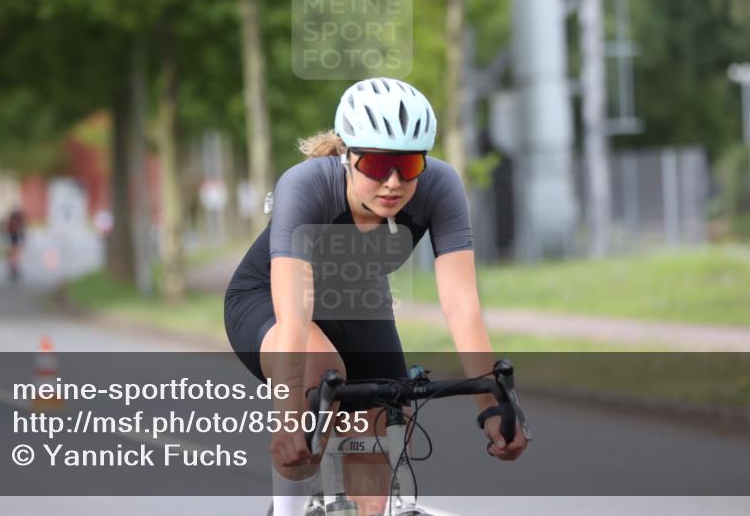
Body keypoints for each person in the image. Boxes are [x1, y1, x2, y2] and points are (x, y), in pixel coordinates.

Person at [224, 78, 528, 516]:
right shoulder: (307, 185)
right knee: (318, 373)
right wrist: (290, 418)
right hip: (269, 301)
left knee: (386, 416)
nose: (392, 182)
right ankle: (286, 510)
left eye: (406, 165)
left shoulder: (440, 186)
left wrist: (492, 407)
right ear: (347, 157)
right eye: (375, 165)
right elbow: (294, 316)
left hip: (359, 303)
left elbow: (462, 306)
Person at [5, 208, 25, 281]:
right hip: (14, 242)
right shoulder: (16, 223)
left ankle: (13, 269)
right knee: (15, 257)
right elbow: (19, 233)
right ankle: (14, 269)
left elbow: (6, 232)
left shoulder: (9, 222)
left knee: (11, 257)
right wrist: (23, 240)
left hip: (10, 242)